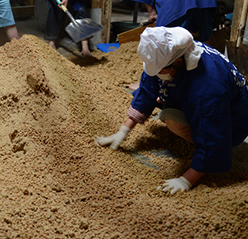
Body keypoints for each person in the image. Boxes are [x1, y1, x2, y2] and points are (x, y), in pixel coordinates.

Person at [95, 26, 248, 194]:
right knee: (166, 101)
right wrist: (122, 131)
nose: (156, 73)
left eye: (160, 71)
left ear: (178, 63)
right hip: (201, 96)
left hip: (233, 119)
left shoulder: (207, 87)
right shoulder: (171, 53)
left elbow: (212, 130)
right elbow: (148, 88)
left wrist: (186, 179)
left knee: (172, 119)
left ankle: (204, 153)